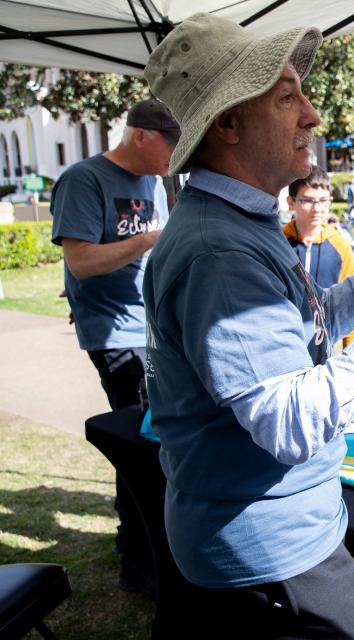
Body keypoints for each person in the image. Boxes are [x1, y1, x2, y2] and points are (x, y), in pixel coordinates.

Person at [143, 12, 354, 638]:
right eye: (287, 96)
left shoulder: (238, 225)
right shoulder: (220, 252)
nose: (311, 114)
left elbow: (306, 329)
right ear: (227, 122)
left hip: (276, 541)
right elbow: (289, 423)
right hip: (268, 557)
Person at [50, 97, 180, 596]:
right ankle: (138, 561)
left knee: (157, 438)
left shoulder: (154, 181)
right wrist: (147, 240)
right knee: (140, 441)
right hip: (115, 335)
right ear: (141, 135)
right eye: (170, 145)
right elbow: (80, 262)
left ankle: (149, 549)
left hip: (153, 330)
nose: (175, 157)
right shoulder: (85, 180)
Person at [283, 165, 354, 354]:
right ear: (291, 202)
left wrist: (349, 354)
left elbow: (351, 305)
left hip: (324, 352)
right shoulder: (278, 243)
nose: (317, 209)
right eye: (308, 201)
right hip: (284, 349)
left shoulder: (340, 246)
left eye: (323, 201)